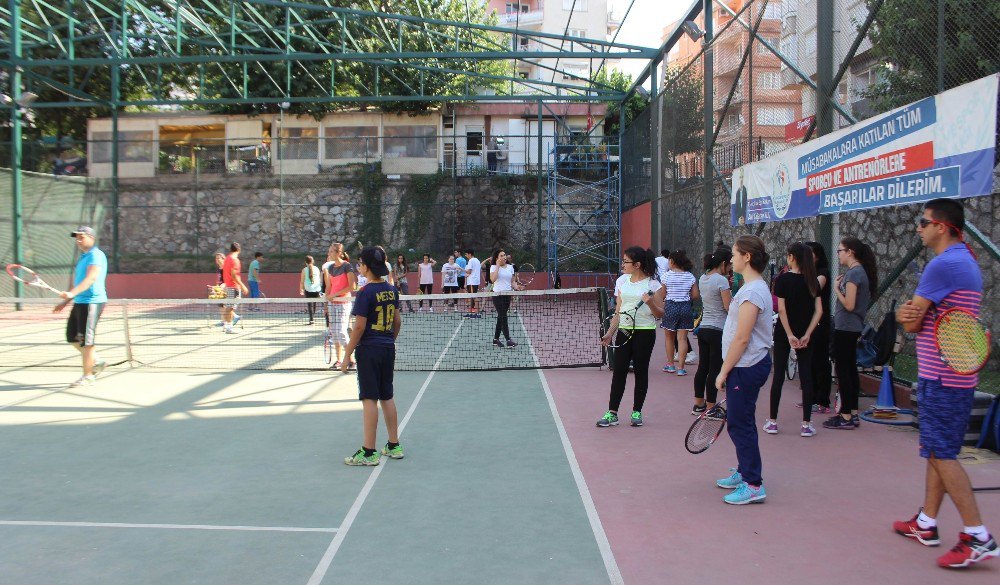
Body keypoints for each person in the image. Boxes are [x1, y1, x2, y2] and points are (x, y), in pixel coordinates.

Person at [893, 199, 997, 568]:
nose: (918, 228)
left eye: (924, 222)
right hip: (955, 377)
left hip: (942, 378)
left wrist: (904, 314)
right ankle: (926, 522)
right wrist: (911, 314)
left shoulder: (942, 265)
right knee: (937, 450)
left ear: (942, 226)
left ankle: (976, 535)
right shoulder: (967, 262)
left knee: (942, 454)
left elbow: (911, 322)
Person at [714, 235, 773, 505]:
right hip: (744, 365)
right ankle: (744, 471)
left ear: (747, 257)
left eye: (735, 254)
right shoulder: (750, 287)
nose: (731, 259)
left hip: (746, 366)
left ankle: (753, 484)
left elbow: (742, 337)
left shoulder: (752, 291)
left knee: (740, 424)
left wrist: (723, 371)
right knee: (742, 422)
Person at [342, 246, 403, 466]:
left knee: (370, 399)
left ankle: (368, 451)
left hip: (369, 350)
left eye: (360, 263)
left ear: (366, 267)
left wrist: (347, 354)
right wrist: (389, 341)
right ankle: (394, 445)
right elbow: (397, 322)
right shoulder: (392, 290)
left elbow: (359, 328)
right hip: (387, 348)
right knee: (387, 396)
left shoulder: (365, 292)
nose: (358, 267)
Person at [597, 247, 665, 428]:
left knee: (641, 371)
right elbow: (618, 312)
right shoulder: (622, 282)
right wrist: (610, 333)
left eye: (625, 261)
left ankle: (637, 411)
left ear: (637, 265)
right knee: (619, 371)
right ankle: (612, 413)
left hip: (645, 332)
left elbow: (660, 314)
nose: (622, 264)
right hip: (624, 331)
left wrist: (650, 303)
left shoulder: (653, 285)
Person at [764, 242, 823, 437]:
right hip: (807, 335)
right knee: (806, 377)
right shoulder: (813, 280)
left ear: (792, 257)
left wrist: (789, 334)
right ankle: (806, 424)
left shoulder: (783, 280)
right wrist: (807, 334)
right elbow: (819, 311)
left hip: (783, 334)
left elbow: (781, 309)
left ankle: (772, 421)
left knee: (778, 376)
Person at [823, 236, 877, 430]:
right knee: (849, 369)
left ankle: (845, 414)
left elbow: (849, 304)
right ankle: (852, 412)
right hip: (850, 327)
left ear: (850, 252)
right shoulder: (858, 272)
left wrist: (837, 289)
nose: (838, 254)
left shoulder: (854, 274)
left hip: (846, 327)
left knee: (843, 370)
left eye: (840, 251)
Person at [53, 226, 109, 387]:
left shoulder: (96, 256)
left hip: (92, 302)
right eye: (76, 238)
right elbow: (78, 281)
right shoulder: (83, 257)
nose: (78, 240)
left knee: (86, 341)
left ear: (91, 238)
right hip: (80, 302)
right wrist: (66, 301)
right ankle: (97, 361)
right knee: (71, 337)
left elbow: (91, 279)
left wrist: (71, 294)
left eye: (81, 237)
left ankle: (88, 375)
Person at [692, 246, 732, 415]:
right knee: (715, 369)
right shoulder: (721, 281)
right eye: (729, 265)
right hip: (718, 329)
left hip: (704, 328)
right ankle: (711, 408)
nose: (730, 268)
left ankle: (699, 404)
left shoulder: (703, 278)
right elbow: (727, 306)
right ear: (723, 263)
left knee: (703, 367)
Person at [804, 241, 833, 413]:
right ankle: (811, 397)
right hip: (809, 322)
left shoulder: (823, 273)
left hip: (821, 323)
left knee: (820, 360)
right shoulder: (808, 272)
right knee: (810, 362)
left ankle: (823, 399)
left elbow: (813, 289)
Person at [660, 249, 699, 376]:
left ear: (671, 261)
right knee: (682, 338)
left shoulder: (666, 276)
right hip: (685, 307)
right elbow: (695, 295)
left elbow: (663, 294)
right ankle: (681, 368)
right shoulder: (690, 276)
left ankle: (670, 365)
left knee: (669, 338)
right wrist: (685, 297)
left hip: (671, 306)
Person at [325, 243, 357, 369]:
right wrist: (327, 301)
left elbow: (352, 286)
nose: (329, 253)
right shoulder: (330, 268)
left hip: (344, 303)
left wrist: (336, 295)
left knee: (342, 332)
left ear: (339, 253)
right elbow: (329, 286)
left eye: (331, 251)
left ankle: (351, 360)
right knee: (334, 332)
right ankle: (338, 361)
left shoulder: (347, 266)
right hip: (332, 304)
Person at [489, 249, 522, 348]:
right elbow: (493, 279)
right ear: (497, 258)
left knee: (501, 317)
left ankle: (495, 339)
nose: (504, 257)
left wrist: (517, 287)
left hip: (508, 295)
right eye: (501, 256)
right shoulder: (493, 267)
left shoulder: (511, 267)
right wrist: (498, 266)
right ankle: (508, 340)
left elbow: (512, 282)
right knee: (503, 316)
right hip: (497, 295)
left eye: (504, 255)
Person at [221, 242, 249, 334]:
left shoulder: (227, 259)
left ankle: (227, 325)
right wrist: (243, 286)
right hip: (233, 287)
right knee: (230, 307)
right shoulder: (235, 260)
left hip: (229, 286)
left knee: (229, 307)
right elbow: (234, 275)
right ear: (239, 250)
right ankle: (229, 327)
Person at [299, 255, 322, 325]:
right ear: (313, 261)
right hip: (317, 290)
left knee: (309, 305)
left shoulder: (304, 270)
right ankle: (313, 318)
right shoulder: (317, 269)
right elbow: (319, 279)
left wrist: (301, 289)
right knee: (314, 303)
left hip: (308, 290)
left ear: (305, 262)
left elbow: (302, 281)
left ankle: (311, 320)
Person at [464, 248, 482, 318]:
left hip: (472, 281)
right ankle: (470, 312)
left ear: (469, 254)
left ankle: (477, 313)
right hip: (474, 281)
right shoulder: (477, 260)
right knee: (471, 297)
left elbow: (469, 271)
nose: (466, 256)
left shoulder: (471, 260)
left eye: (466, 254)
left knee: (474, 297)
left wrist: (461, 269)